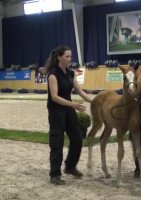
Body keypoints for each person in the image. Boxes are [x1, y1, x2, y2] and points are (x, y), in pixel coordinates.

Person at [45, 46, 93, 185]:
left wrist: (97, 101)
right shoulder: (52, 74)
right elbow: (54, 97)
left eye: (71, 56)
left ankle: (70, 167)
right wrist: (73, 105)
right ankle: (54, 174)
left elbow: (81, 92)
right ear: (59, 57)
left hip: (69, 109)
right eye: (67, 56)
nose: (70, 59)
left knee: (77, 139)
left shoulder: (71, 74)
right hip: (56, 110)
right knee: (57, 142)